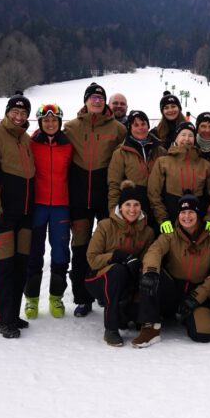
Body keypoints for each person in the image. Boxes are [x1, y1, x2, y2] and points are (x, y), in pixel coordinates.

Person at [63, 83, 126, 317]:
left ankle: (104, 292)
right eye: (93, 98)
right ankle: (82, 297)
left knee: (107, 247)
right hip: (79, 198)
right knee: (80, 248)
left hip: (105, 196)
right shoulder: (71, 127)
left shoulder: (118, 128)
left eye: (101, 98)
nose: (97, 101)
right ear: (86, 101)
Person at [134, 191, 210, 347]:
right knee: (149, 272)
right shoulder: (170, 235)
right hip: (172, 290)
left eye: (191, 212)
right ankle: (151, 328)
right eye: (183, 212)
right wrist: (150, 271)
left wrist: (198, 296)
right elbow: (154, 251)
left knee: (203, 333)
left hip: (196, 293)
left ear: (198, 214)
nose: (187, 216)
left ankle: (187, 316)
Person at [0, 92, 35, 338]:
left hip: (25, 213)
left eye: (23, 114)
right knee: (4, 265)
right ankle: (4, 319)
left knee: (22, 265)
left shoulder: (27, 140)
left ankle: (12, 313)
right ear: (7, 112)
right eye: (15, 112)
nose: (19, 116)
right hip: (3, 214)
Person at [85, 181, 155, 347]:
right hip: (99, 278)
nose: (132, 209)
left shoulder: (147, 231)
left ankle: (128, 313)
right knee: (118, 271)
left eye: (136, 205)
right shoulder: (105, 226)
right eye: (128, 205)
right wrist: (117, 256)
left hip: (129, 281)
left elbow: (147, 259)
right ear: (120, 207)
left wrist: (137, 264)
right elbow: (92, 258)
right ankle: (111, 329)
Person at [23, 103, 73, 320]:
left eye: (54, 120)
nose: (50, 124)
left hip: (61, 206)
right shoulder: (31, 144)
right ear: (40, 123)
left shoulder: (69, 145)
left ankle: (56, 297)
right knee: (34, 252)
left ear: (60, 122)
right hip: (38, 206)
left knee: (60, 253)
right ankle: (31, 300)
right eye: (46, 121)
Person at [147, 121, 210, 233]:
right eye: (183, 135)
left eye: (190, 135)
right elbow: (153, 193)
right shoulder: (163, 162)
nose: (187, 139)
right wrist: (163, 218)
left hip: (196, 221)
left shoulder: (205, 165)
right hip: (170, 221)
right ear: (176, 138)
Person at [107, 110, 166, 227]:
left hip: (158, 204)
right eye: (136, 125)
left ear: (148, 126)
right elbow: (114, 184)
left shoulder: (161, 151)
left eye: (143, 124)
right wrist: (115, 212)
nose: (140, 128)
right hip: (134, 205)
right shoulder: (121, 153)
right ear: (130, 128)